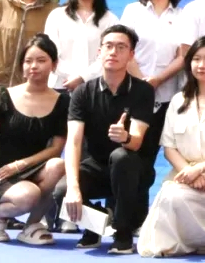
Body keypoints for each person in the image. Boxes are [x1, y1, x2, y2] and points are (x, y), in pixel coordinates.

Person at [137, 36, 205, 257]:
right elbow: (169, 148)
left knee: (172, 198)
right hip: (182, 176)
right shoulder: (178, 100)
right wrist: (189, 172)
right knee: (169, 195)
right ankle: (203, 240)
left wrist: (199, 169)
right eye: (196, 59)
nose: (201, 65)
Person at [56, 24, 155, 254]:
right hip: (95, 167)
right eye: (108, 46)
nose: (113, 52)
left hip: (132, 171)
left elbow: (137, 142)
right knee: (61, 192)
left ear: (131, 55)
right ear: (99, 52)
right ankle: (96, 225)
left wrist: (125, 137)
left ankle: (123, 233)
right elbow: (74, 142)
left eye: (121, 47)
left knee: (122, 156)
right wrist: (73, 187)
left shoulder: (143, 91)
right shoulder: (83, 92)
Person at [0, 34, 68, 244]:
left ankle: (31, 226)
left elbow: (56, 148)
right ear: (22, 67)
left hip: (30, 167)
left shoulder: (62, 102)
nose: (34, 66)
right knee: (28, 195)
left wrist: (20, 165)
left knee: (57, 165)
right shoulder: (5, 96)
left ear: (54, 64)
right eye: (28, 61)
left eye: (41, 60)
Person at [119, 0, 185, 175]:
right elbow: (123, 47)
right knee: (123, 155)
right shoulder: (133, 10)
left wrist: (158, 80)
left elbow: (182, 56)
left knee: (148, 158)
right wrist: (143, 82)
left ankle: (141, 198)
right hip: (131, 91)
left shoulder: (182, 16)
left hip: (164, 96)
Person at [43, 0, 119, 92]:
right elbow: (50, 52)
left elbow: (107, 56)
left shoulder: (110, 19)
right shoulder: (57, 15)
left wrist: (83, 77)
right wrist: (72, 76)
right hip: (60, 86)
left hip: (95, 89)